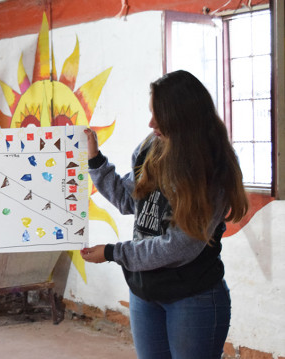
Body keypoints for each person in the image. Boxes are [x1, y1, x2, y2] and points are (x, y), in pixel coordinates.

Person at [81, 70, 248, 359]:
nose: (151, 123)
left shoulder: (212, 168)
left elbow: (179, 246)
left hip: (192, 295)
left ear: (182, 118)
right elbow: (128, 200)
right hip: (144, 291)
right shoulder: (151, 146)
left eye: (159, 116)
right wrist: (95, 160)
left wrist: (113, 252)